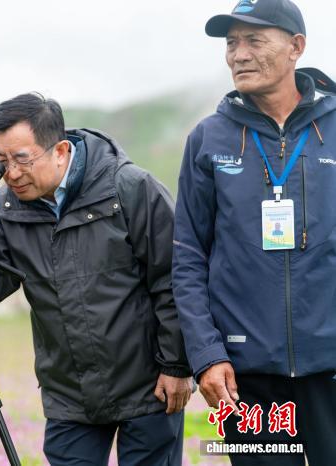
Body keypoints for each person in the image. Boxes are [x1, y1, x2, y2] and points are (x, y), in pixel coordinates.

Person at [0, 93, 193, 465]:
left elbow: (173, 279)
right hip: (69, 396)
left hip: (149, 389)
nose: (11, 173)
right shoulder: (10, 208)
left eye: (21, 159)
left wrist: (176, 365)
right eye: (0, 161)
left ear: (61, 151)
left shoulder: (130, 188)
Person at [173, 1, 336, 464]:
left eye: (254, 41)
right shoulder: (208, 139)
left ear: (296, 47)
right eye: (231, 43)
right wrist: (207, 355)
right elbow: (187, 257)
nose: (238, 54)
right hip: (244, 378)